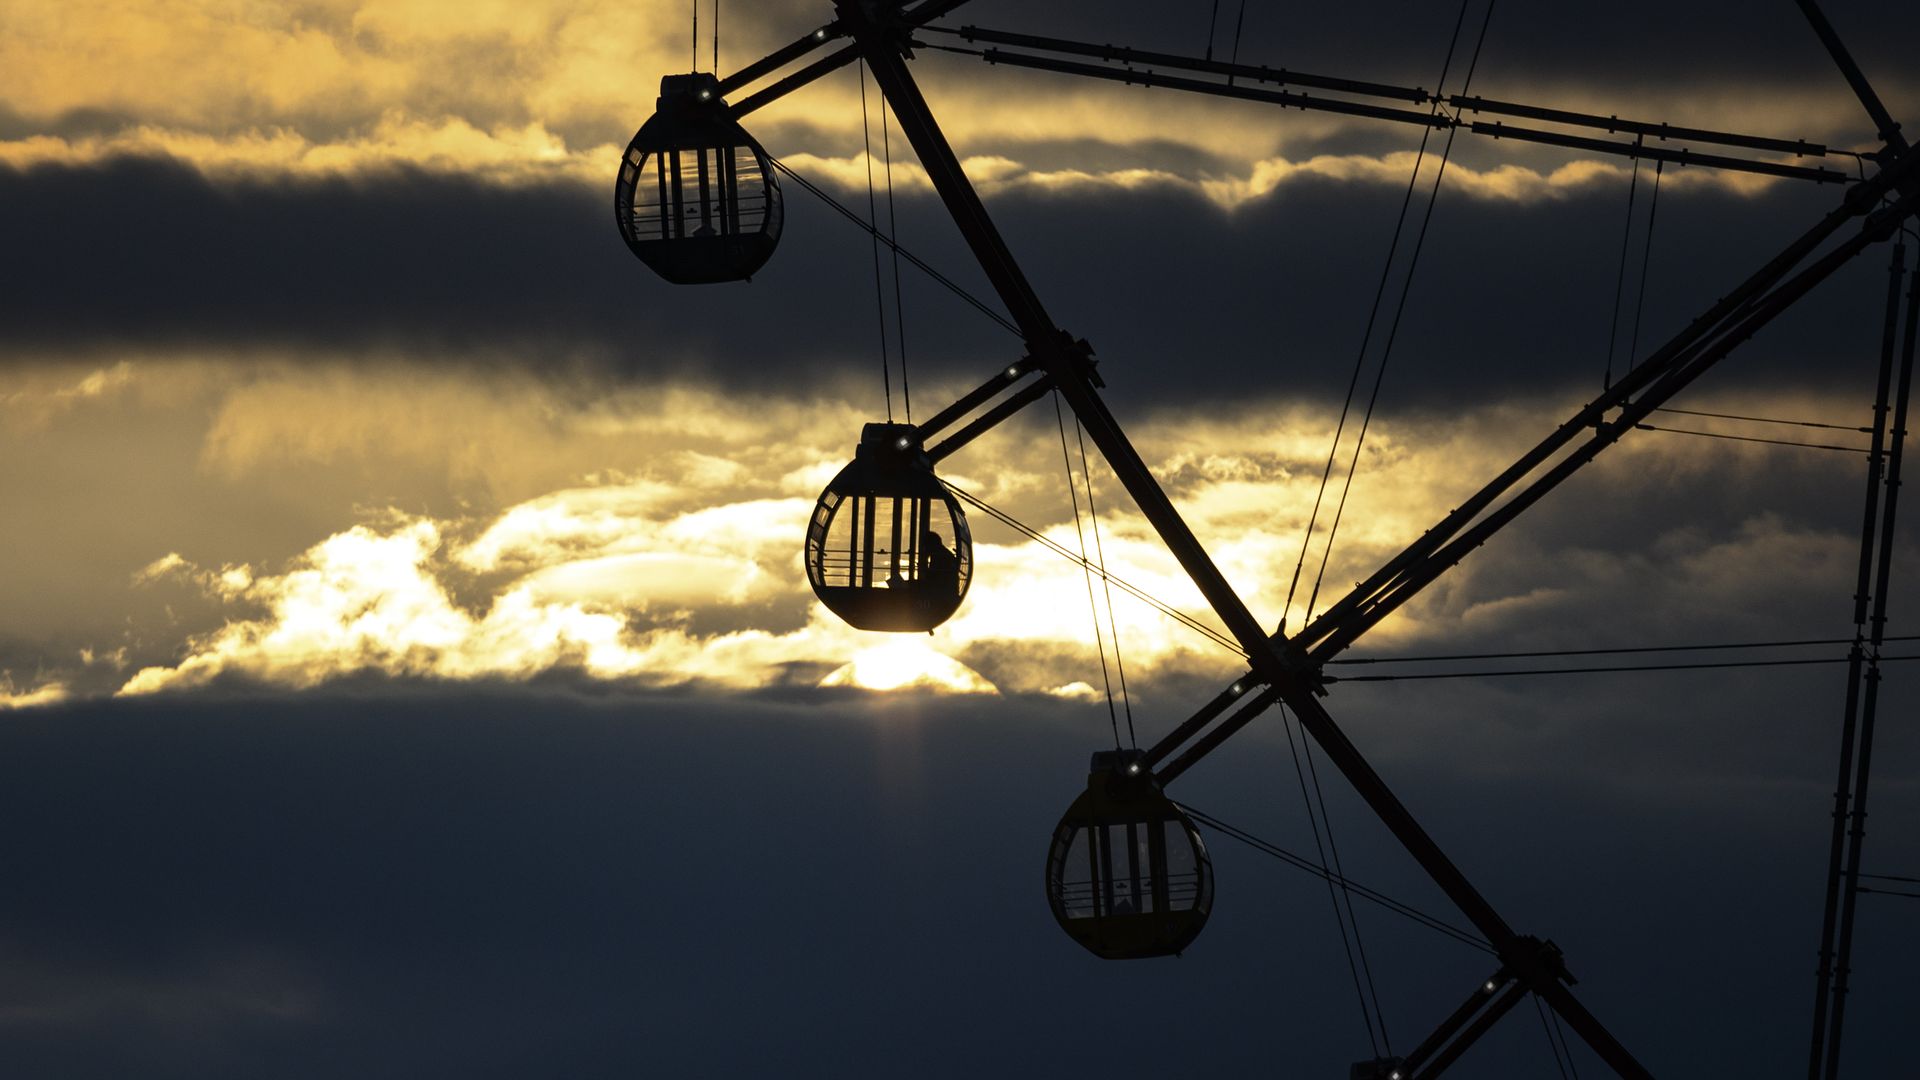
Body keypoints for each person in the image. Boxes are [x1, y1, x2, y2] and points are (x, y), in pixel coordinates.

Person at [920, 529, 958, 594]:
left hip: (940, 591)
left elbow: (931, 577)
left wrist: (923, 566)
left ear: (931, 545)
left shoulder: (939, 556)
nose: (925, 548)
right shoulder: (944, 553)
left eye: (926, 545)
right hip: (945, 590)